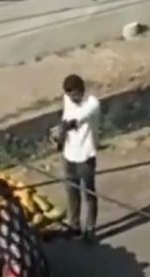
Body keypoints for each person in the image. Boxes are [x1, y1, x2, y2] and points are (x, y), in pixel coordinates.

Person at [59, 74, 101, 241]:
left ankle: (90, 229)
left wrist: (64, 127)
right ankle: (74, 225)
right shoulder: (67, 99)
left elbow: (77, 119)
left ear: (81, 90)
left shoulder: (92, 104)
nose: (72, 98)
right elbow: (65, 116)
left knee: (88, 193)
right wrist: (60, 141)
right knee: (71, 191)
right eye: (69, 95)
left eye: (74, 95)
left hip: (86, 154)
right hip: (69, 153)